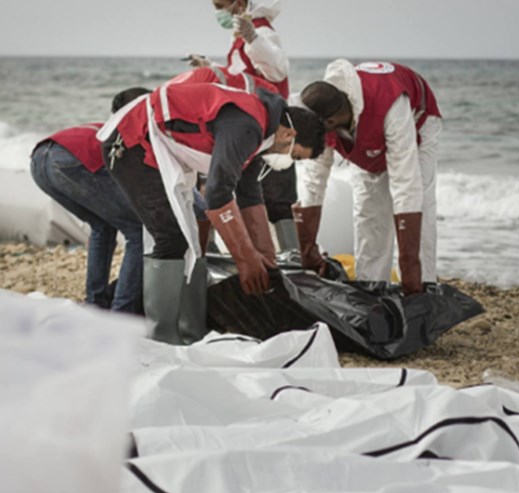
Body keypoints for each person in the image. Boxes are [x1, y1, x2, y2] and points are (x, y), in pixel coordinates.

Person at [97, 81, 324, 345]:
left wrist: (265, 259)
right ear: (288, 135)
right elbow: (217, 193)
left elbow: (249, 195)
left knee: (198, 238)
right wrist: (245, 258)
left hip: (162, 150)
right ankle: (162, 340)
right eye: (294, 156)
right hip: (130, 142)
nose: (287, 163)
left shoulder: (261, 134)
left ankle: (191, 332)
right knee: (171, 237)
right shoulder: (248, 126)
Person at [295, 60, 443, 295]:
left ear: (330, 123)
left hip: (417, 121)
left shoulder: (392, 107)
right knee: (369, 209)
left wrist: (408, 265)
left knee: (419, 202)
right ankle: (371, 285)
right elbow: (313, 182)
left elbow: (406, 183)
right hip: (364, 129)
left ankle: (423, 285)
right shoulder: (320, 116)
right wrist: (307, 249)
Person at [189, 0, 298, 252]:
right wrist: (212, 69)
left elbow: (278, 69)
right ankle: (260, 257)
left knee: (277, 196)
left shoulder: (261, 30)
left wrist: (253, 38)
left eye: (220, 4)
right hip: (251, 124)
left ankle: (290, 258)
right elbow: (240, 76)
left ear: (238, 3)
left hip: (270, 125)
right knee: (246, 188)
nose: (218, 12)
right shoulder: (239, 36)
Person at [29, 87, 151, 313]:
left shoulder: (102, 126)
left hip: (39, 161)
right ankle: (122, 312)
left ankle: (95, 304)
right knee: (138, 229)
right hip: (70, 161)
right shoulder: (134, 131)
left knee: (102, 226)